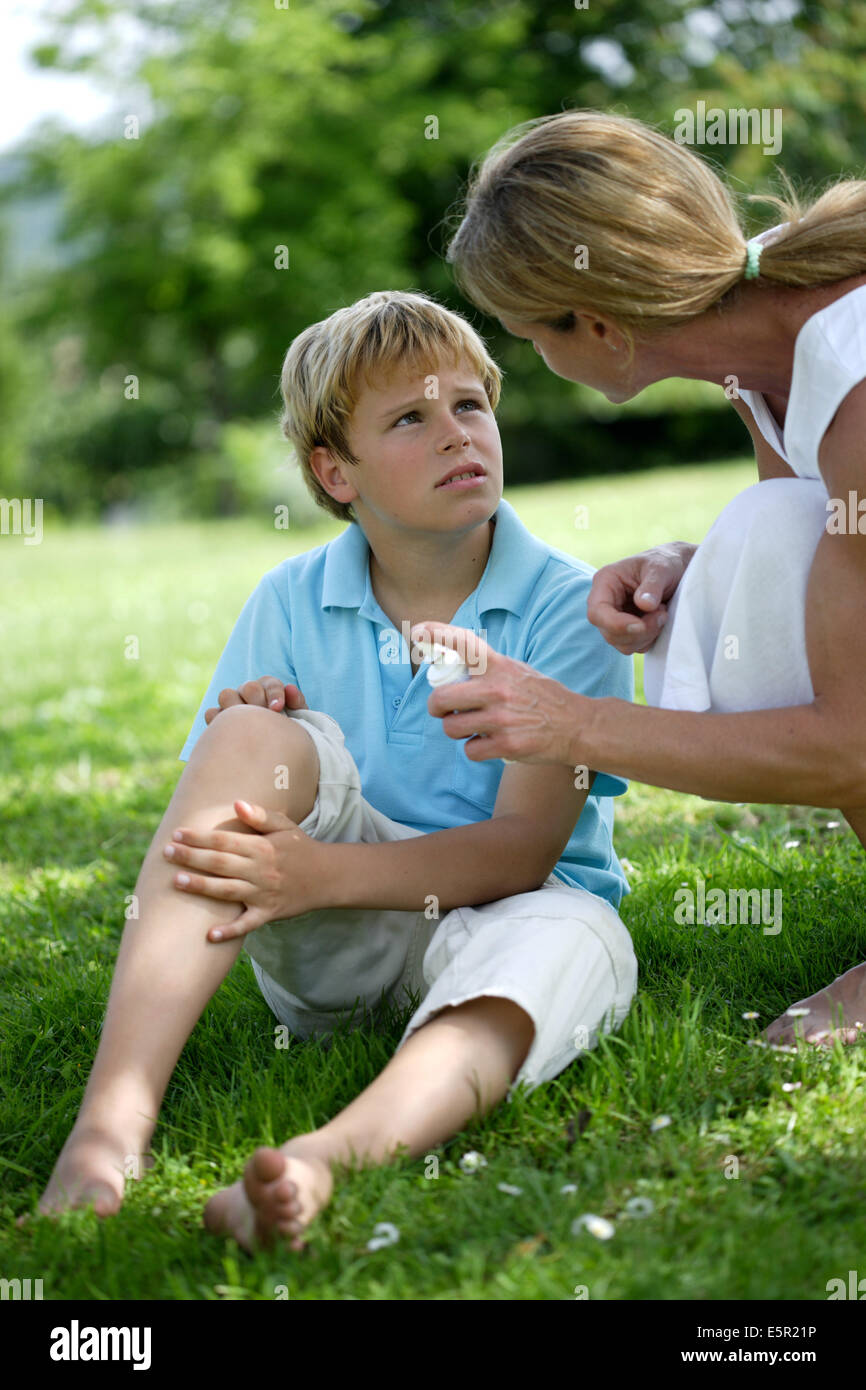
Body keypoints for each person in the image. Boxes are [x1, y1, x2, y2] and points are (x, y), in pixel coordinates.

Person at [30, 290, 636, 1252]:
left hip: (509, 916)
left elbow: (525, 852)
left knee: (575, 932)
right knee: (247, 736)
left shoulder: (569, 605)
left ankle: (323, 1161)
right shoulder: (289, 597)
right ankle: (109, 1130)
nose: (455, 435)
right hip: (336, 943)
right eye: (410, 418)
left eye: (470, 405)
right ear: (333, 471)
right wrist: (262, 746)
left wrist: (317, 875)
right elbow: (230, 806)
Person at [413, 109, 866, 1047]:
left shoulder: (852, 370)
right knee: (760, 537)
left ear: (598, 323)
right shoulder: (763, 330)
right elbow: (816, 556)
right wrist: (682, 568)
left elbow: (854, 743)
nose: (536, 363)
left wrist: (572, 723)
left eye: (531, 334)